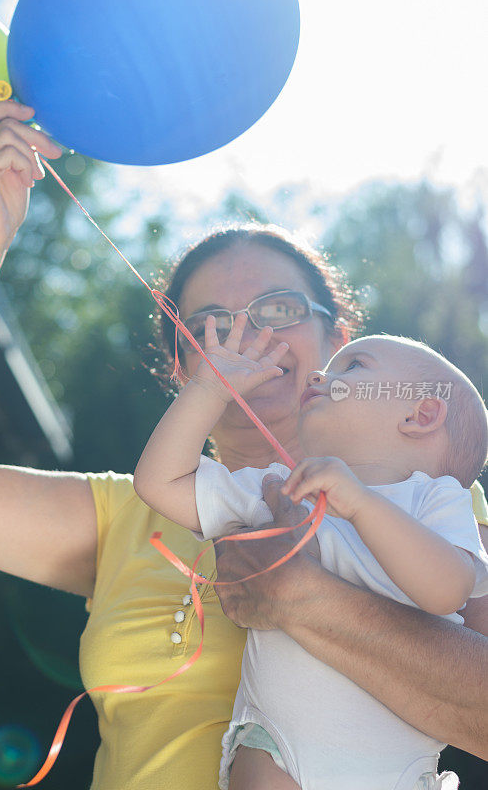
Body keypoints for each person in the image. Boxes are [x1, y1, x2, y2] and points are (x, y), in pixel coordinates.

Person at [0, 99, 487, 790]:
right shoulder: (126, 516)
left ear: (339, 343)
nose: (248, 336)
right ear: (181, 369)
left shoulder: (427, 493)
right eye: (209, 324)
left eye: (281, 311)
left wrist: (305, 598)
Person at [134, 323, 488, 790]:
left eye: (353, 365)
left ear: (421, 414)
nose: (319, 376)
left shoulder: (436, 499)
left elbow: (447, 591)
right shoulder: (283, 485)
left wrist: (361, 504)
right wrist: (207, 391)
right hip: (277, 753)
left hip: (391, 776)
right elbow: (160, 483)